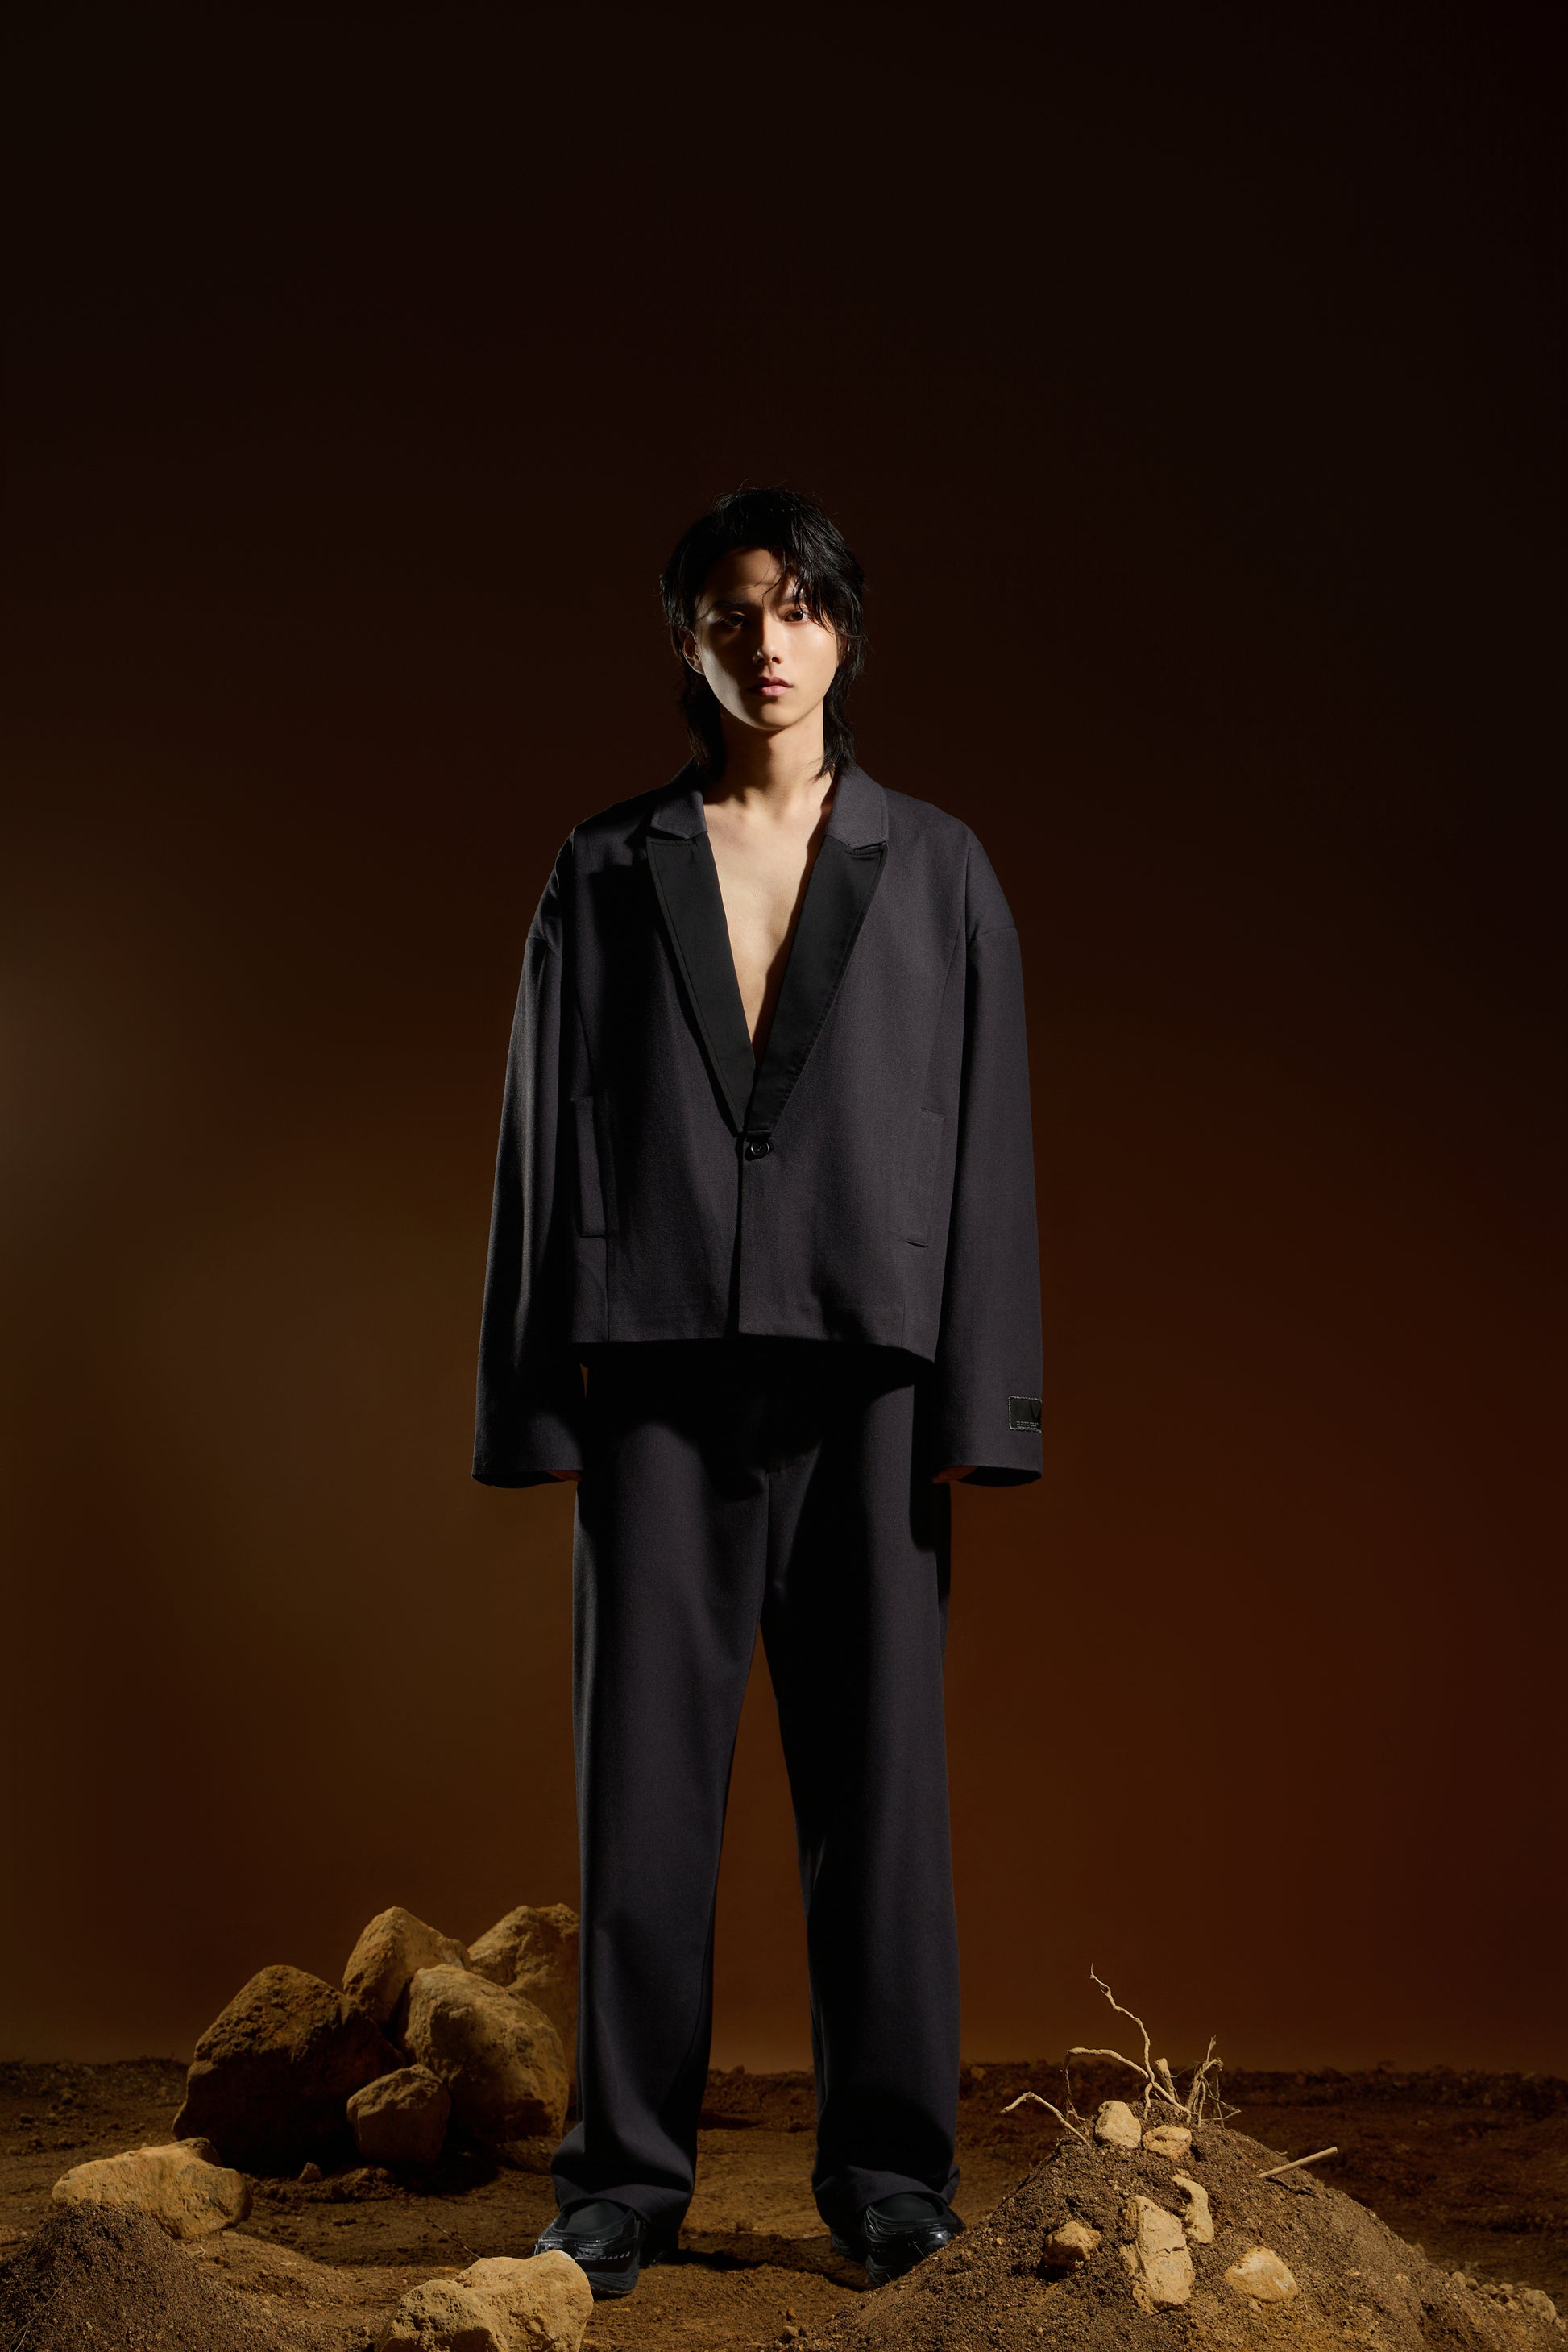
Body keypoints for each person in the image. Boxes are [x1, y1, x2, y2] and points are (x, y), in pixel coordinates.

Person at [472, 486, 1042, 2300]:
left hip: (871, 1379)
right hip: (653, 1378)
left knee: (882, 1803)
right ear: (686, 640)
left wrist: (983, 1404)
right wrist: (532, 1401)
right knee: (639, 1801)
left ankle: (890, 2177)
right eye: (734, 610)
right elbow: (539, 1129)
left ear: (845, 633)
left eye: (799, 607)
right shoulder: (602, 867)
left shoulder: (938, 866)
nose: (769, 641)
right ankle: (619, 2186)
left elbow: (988, 1147)